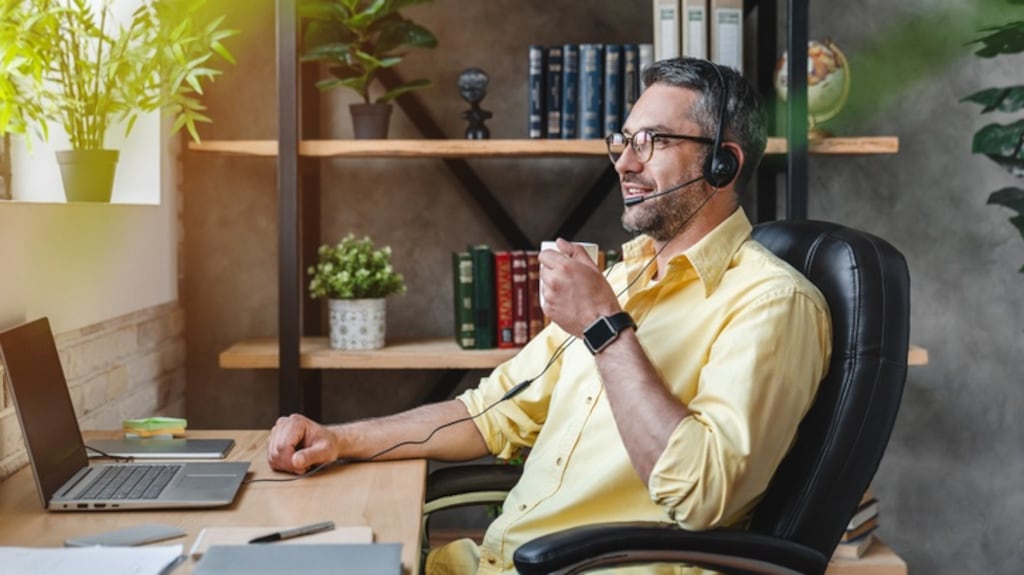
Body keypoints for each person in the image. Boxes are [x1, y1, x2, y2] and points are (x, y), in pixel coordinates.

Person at [267, 57, 832, 575]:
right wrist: (339, 440)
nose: (625, 163)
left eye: (651, 141)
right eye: (624, 140)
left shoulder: (772, 303)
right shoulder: (620, 280)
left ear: (721, 162)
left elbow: (704, 495)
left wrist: (604, 328)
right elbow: (490, 413)